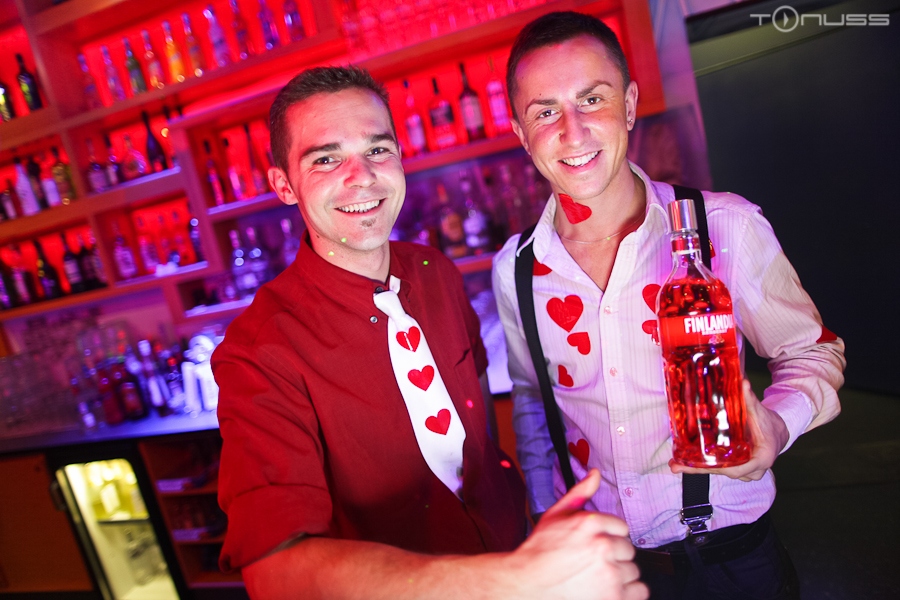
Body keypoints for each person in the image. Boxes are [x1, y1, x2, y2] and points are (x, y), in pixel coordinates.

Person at [213, 65, 648, 600]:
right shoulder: (258, 350)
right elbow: (273, 572)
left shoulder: (435, 271)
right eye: (326, 159)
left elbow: (481, 434)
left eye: (377, 150)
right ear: (284, 184)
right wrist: (506, 582)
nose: (361, 177)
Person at [492, 12, 845, 600]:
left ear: (629, 105)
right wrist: (541, 508)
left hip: (730, 560)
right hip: (600, 569)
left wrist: (778, 427)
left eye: (592, 99)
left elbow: (813, 351)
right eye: (545, 112)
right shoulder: (517, 268)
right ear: (520, 132)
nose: (573, 132)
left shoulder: (726, 225)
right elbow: (532, 396)